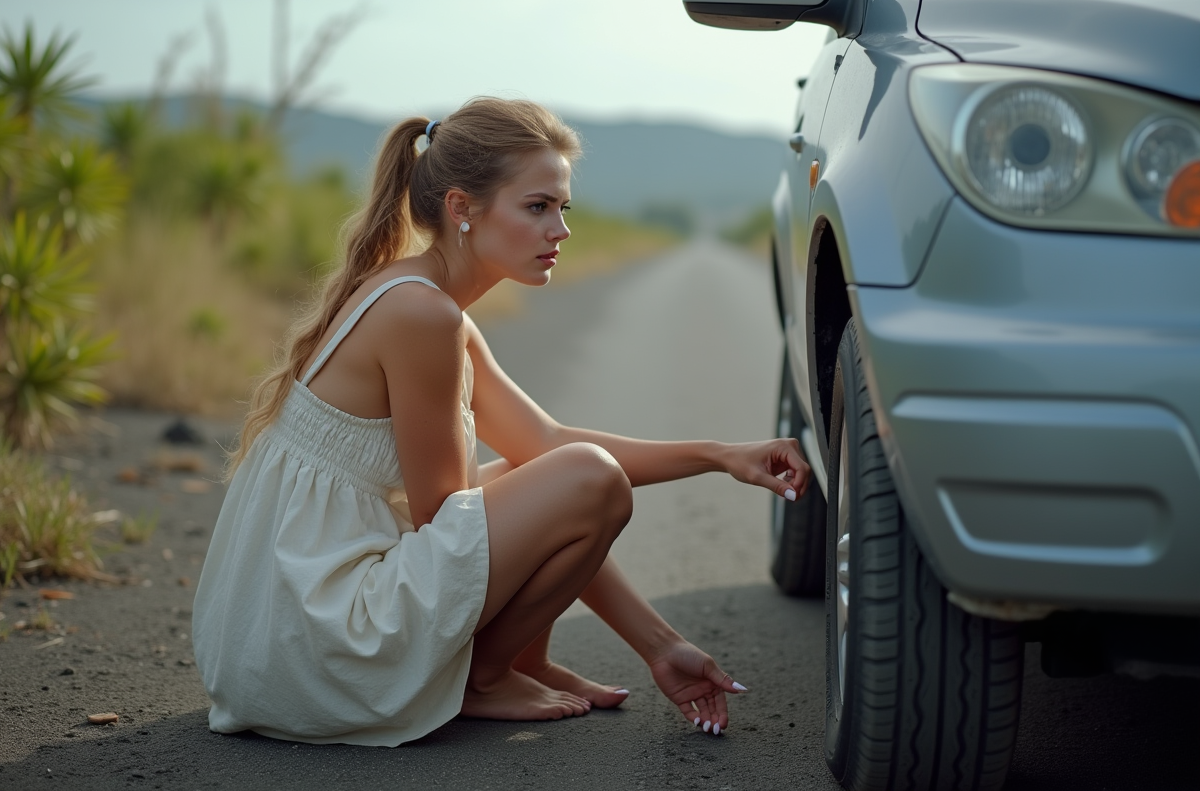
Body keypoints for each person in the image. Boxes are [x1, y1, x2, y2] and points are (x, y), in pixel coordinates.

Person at [192, 97, 812, 747]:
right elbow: (453, 517)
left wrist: (721, 457)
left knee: (549, 472)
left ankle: (522, 663)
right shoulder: (421, 317)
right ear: (462, 209)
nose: (561, 230)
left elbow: (544, 448)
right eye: (538, 207)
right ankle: (485, 679)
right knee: (581, 479)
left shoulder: (427, 303)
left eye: (562, 208)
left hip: (274, 641)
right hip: (313, 647)